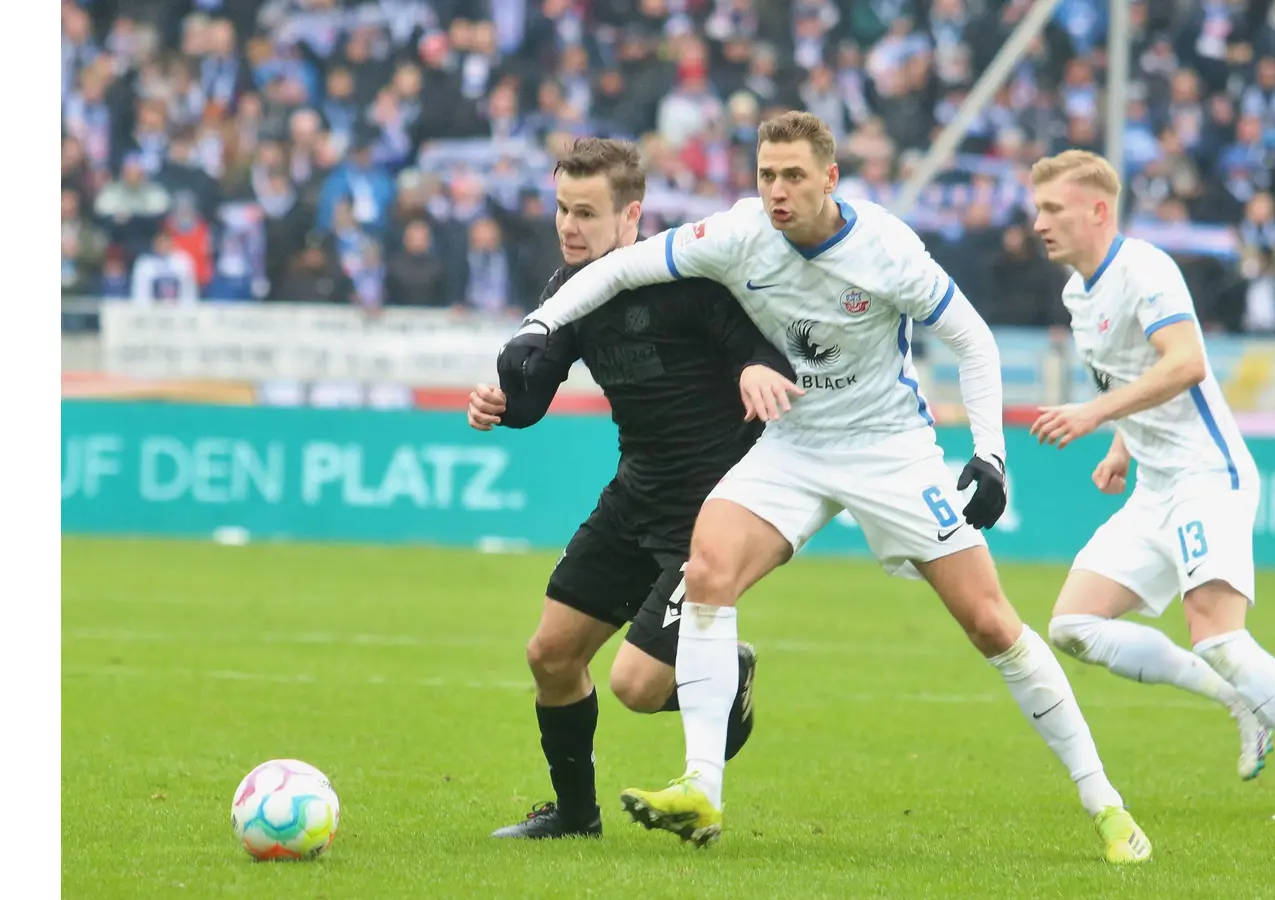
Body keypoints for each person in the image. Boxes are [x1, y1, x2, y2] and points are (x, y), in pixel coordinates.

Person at [497, 112, 1152, 863]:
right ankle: (702, 786)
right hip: (794, 447)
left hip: (890, 451)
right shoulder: (740, 233)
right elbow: (618, 269)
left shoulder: (887, 248)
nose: (777, 191)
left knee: (990, 624)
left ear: (830, 178)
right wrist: (539, 326)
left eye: (794, 176)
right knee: (709, 567)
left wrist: (991, 455)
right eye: (767, 175)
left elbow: (972, 338)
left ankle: (1106, 804)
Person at [1026, 149, 1275, 821]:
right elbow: (1136, 370)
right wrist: (1122, 445)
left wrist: (1096, 415)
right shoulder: (1079, 291)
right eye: (1038, 208)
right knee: (1073, 624)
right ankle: (1236, 698)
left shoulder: (1146, 269)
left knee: (1219, 636)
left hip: (1207, 478)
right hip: (1156, 483)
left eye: (1052, 209)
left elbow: (1186, 362)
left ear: (1098, 211)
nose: (1038, 223)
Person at [471, 138, 800, 840]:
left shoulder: (689, 279)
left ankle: (725, 676)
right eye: (562, 209)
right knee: (550, 656)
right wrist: (501, 404)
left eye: (585, 213)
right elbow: (535, 397)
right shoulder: (571, 290)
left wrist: (753, 371)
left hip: (708, 515)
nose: (568, 226)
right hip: (634, 495)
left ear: (632, 216)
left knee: (636, 687)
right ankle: (575, 817)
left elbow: (763, 350)